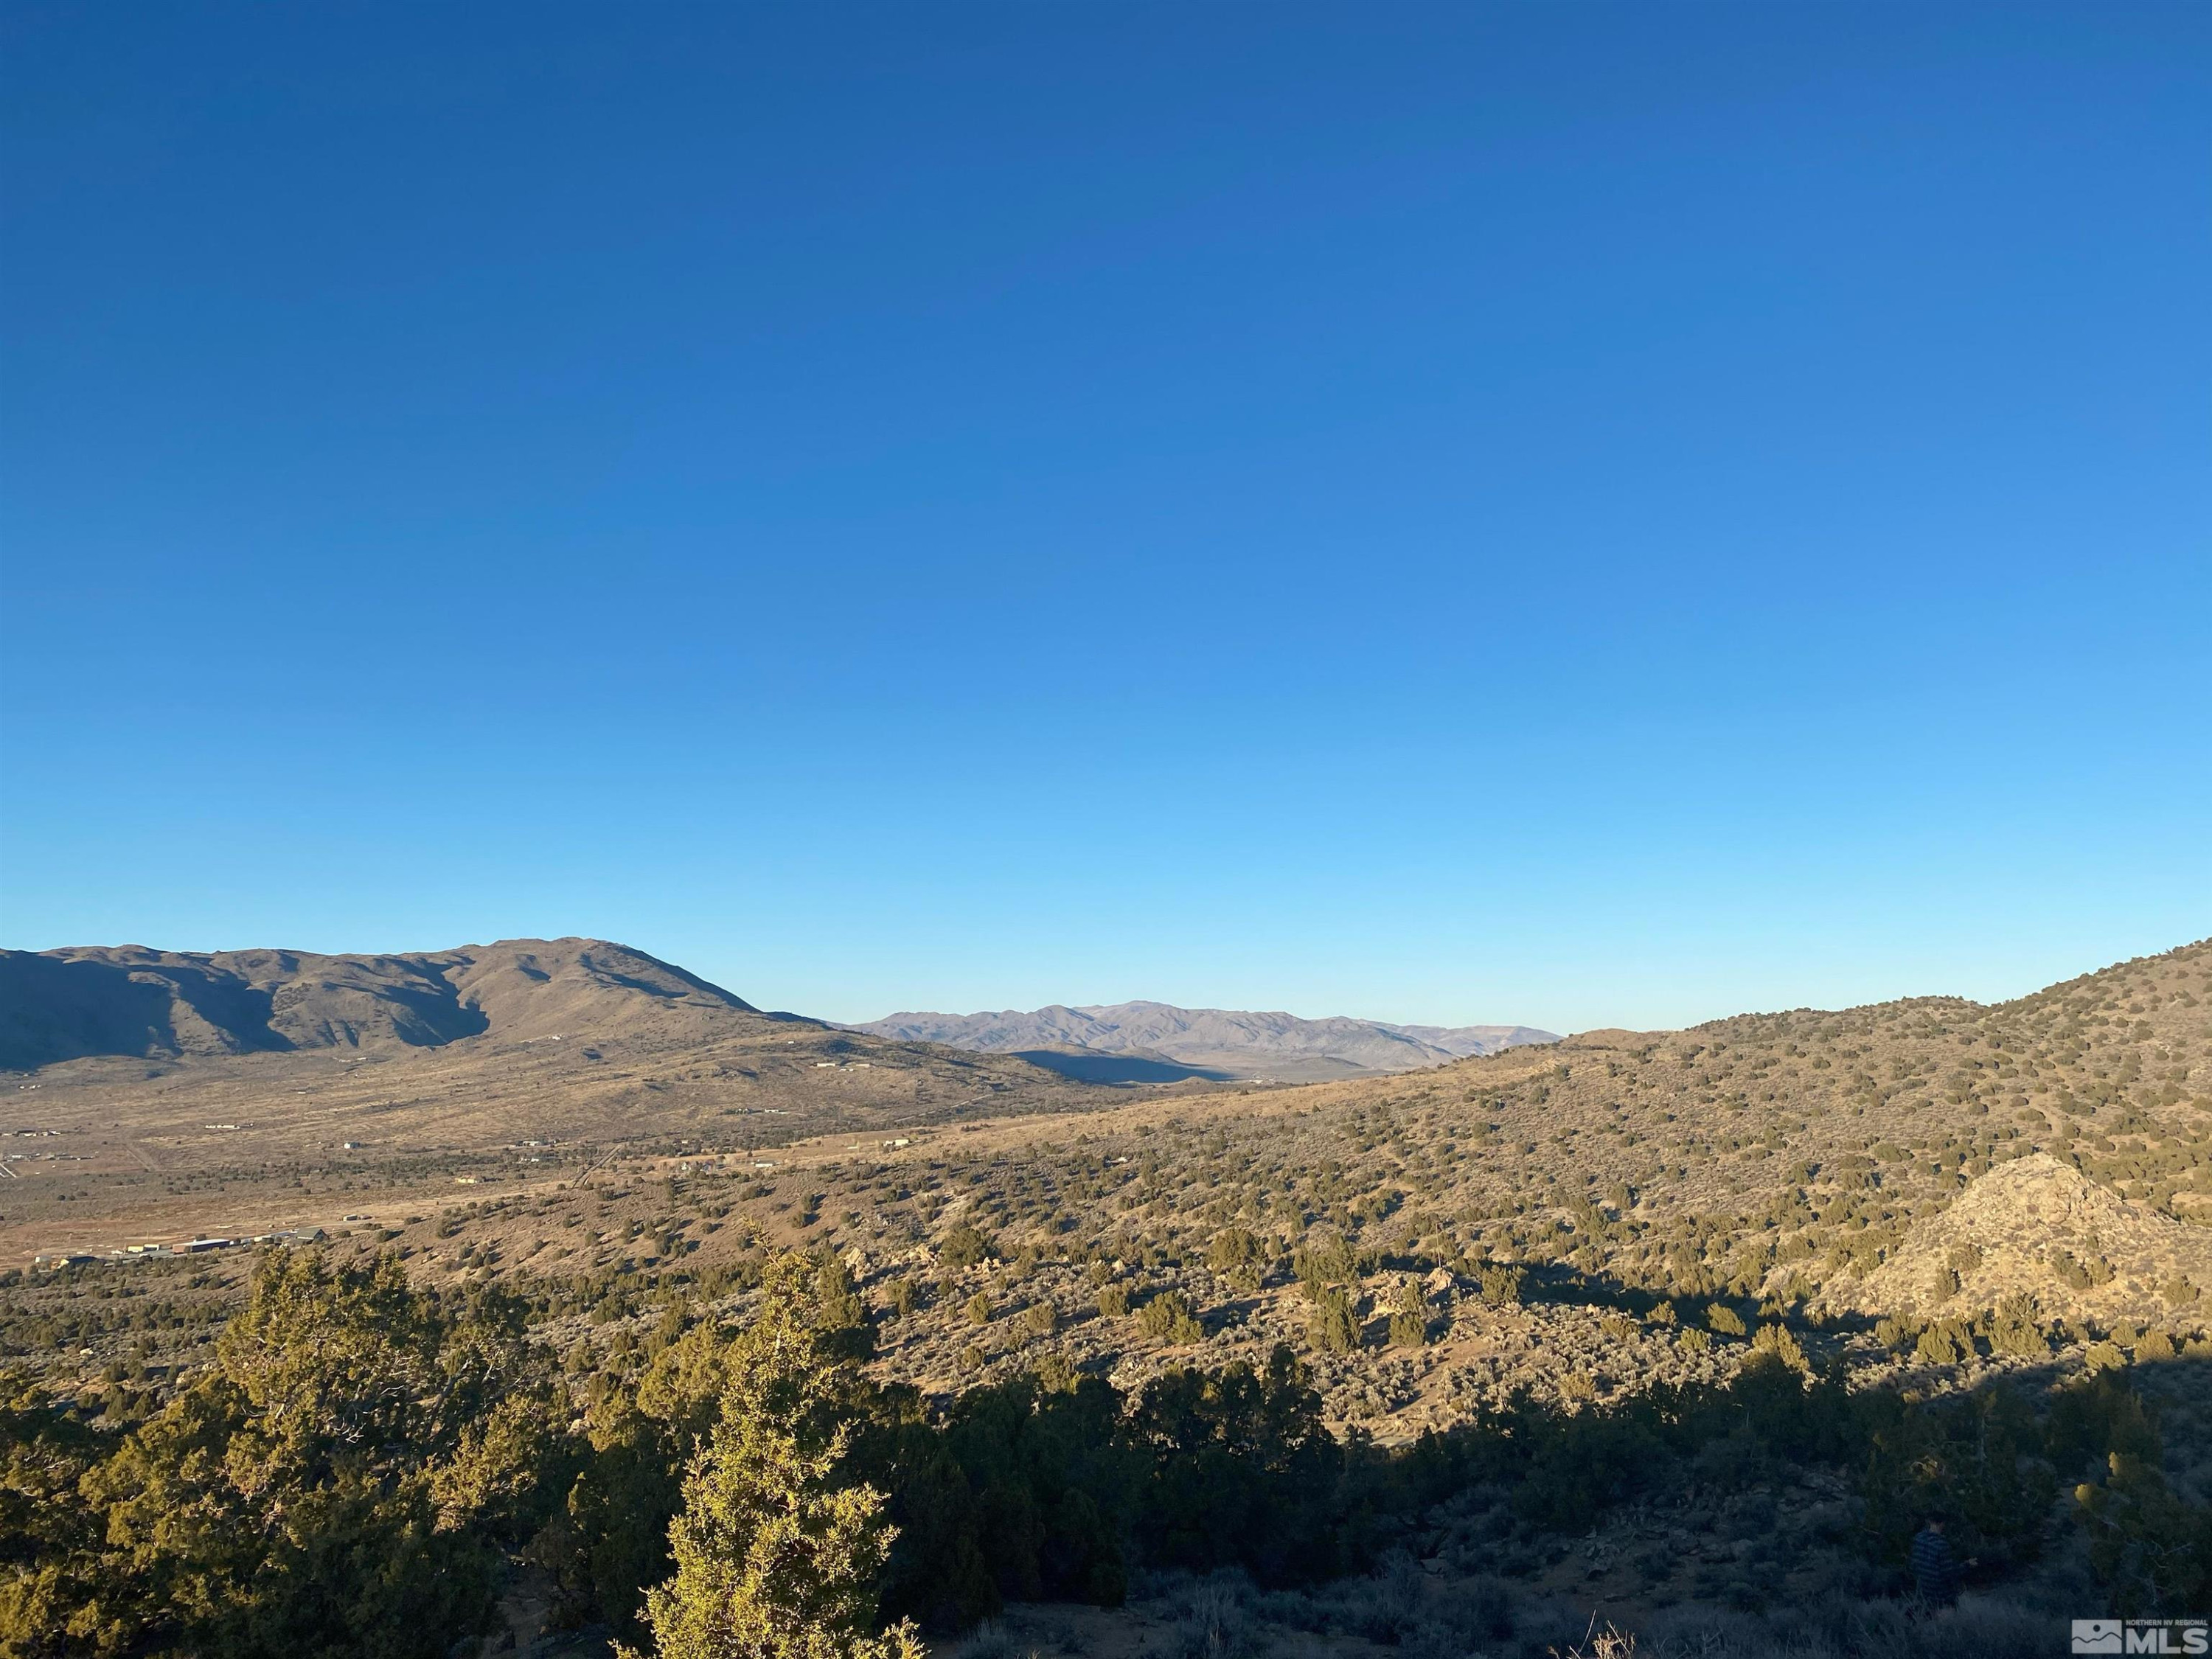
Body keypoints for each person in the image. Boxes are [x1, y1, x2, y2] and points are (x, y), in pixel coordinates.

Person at [1910, 1515, 1964, 1606]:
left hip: (1922, 1591)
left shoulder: (1918, 1539)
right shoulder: (1942, 1545)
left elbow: (1914, 1564)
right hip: (1940, 1595)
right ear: (1942, 1524)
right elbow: (1949, 1572)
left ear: (1930, 1522)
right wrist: (1967, 1565)